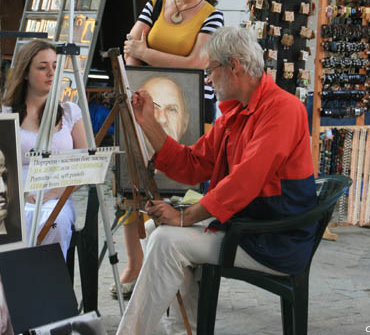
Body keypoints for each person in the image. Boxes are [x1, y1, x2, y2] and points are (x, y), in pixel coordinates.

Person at [116, 27, 317, 335]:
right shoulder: (234, 114)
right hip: (247, 225)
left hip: (273, 239)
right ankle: (185, 330)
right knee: (158, 231)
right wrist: (150, 125)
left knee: (166, 241)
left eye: (210, 70)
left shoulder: (284, 109)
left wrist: (185, 216)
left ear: (234, 66)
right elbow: (194, 165)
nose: (207, 79)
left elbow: (244, 183)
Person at [116, 0, 224, 297]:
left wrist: (148, 52)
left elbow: (198, 62)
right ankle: (134, 263)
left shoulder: (213, 15)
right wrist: (142, 57)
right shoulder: (155, 5)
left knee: (182, 184)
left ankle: (174, 266)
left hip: (191, 111)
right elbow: (129, 53)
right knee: (135, 183)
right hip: (146, 103)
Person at [2, 40, 87, 258]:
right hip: (15, 196)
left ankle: (46, 281)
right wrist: (19, 194)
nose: (51, 73)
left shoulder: (69, 112)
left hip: (56, 196)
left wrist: (57, 193)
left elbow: (86, 166)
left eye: (55, 66)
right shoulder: (5, 113)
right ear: (26, 73)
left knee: (54, 222)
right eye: (42, 67)